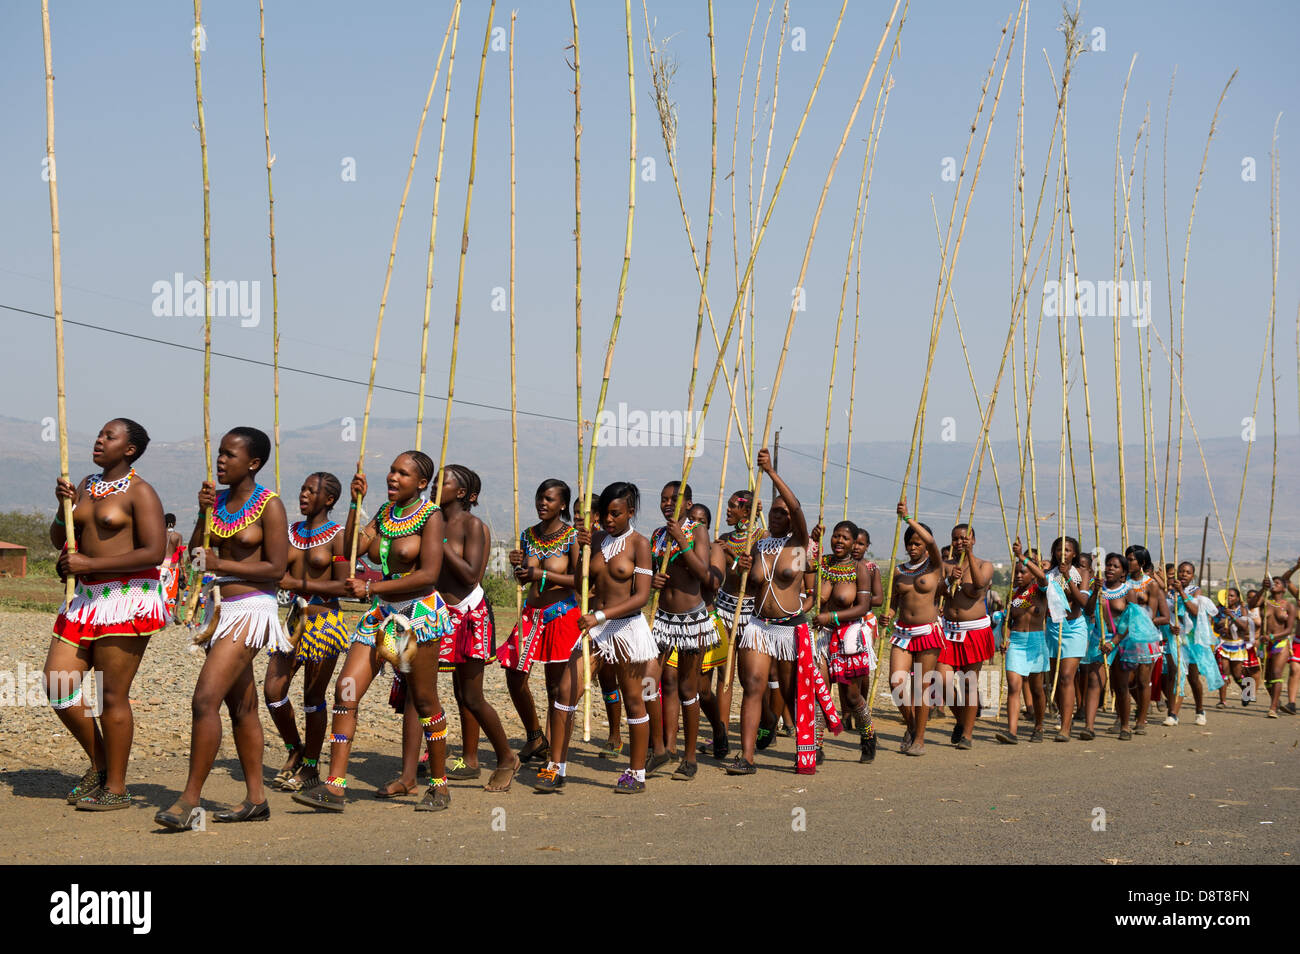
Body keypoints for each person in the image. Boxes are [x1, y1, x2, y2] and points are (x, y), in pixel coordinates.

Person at [291, 450, 453, 813]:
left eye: (403, 474)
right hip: (381, 615)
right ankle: (334, 787)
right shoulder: (383, 514)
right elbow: (351, 549)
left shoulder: (431, 517)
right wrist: (354, 503)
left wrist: (373, 589)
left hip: (417, 615)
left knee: (424, 702)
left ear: (422, 483)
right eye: (392, 471)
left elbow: (428, 575)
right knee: (345, 689)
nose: (393, 478)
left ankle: (439, 785)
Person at [156, 427, 289, 828]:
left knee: (204, 700)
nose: (221, 460)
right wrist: (201, 513)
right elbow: (197, 557)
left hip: (252, 609)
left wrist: (222, 565)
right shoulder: (219, 504)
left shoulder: (271, 505)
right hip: (223, 610)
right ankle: (256, 799)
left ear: (254, 463)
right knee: (242, 706)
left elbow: (277, 569)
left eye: (230, 455)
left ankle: (189, 800)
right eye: (219, 453)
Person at [48, 418, 167, 811]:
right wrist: (62, 506)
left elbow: (154, 552)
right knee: (57, 684)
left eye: (109, 436)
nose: (99, 440)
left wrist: (88, 564)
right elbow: (61, 538)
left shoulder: (141, 492)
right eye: (99, 434)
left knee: (112, 695)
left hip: (126, 599)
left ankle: (116, 788)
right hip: (84, 599)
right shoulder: (84, 485)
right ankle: (100, 764)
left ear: (129, 449)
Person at [729, 448, 837, 775]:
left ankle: (809, 745)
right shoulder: (758, 546)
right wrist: (742, 570)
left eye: (782, 512)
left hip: (790, 629)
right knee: (753, 686)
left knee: (793, 692)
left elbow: (797, 507)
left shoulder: (799, 546)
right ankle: (746, 757)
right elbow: (750, 590)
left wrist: (772, 473)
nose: (778, 517)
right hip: (758, 626)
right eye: (773, 513)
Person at [265, 472, 350, 793]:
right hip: (293, 622)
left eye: (310, 491)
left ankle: (312, 766)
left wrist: (297, 583)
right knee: (273, 691)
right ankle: (294, 748)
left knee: (313, 697)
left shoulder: (338, 537)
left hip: (324, 623)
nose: (303, 495)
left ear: (328, 500)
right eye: (301, 489)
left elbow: (344, 585)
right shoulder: (288, 532)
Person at [500, 479, 583, 792]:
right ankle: (535, 735)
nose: (542, 503)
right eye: (539, 497)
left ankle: (555, 760)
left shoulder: (573, 537)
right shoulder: (527, 534)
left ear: (562, 504)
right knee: (513, 674)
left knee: (555, 689)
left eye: (549, 499)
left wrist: (542, 574)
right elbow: (524, 583)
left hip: (561, 616)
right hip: (530, 617)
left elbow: (580, 580)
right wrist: (519, 570)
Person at [576, 482, 658, 792]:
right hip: (595, 628)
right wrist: (581, 549)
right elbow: (580, 580)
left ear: (630, 512)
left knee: (634, 699)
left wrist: (600, 616)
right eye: (604, 514)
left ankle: (636, 773)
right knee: (568, 690)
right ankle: (556, 764)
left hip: (627, 628)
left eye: (615, 514)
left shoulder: (640, 544)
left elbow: (641, 598)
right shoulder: (596, 540)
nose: (608, 520)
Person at [649, 481, 715, 780]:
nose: (666, 504)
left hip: (692, 620)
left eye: (673, 500)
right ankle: (659, 748)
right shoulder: (657, 535)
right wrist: (653, 580)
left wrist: (683, 541)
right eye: (663, 499)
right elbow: (650, 573)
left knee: (689, 688)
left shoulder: (697, 531)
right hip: (662, 618)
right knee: (649, 683)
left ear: (688, 504)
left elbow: (704, 573)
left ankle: (689, 758)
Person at [881, 497, 946, 757]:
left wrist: (908, 518)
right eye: (910, 543)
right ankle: (911, 725)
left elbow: (931, 541)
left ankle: (919, 738)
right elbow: (894, 604)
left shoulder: (935, 567)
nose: (913, 547)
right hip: (902, 634)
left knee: (921, 687)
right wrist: (887, 614)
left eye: (917, 543)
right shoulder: (899, 571)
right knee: (896, 682)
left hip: (927, 633)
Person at [814, 520, 879, 762]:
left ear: (853, 543)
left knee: (852, 697)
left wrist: (830, 615)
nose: (839, 541)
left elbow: (863, 607)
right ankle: (816, 746)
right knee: (819, 692)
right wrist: (812, 541)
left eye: (845, 538)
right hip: (823, 637)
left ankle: (868, 735)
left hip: (849, 638)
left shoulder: (860, 569)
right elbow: (806, 580)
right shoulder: (823, 563)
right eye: (835, 536)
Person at [1085, 552, 1162, 740]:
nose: (1110, 568)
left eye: (1115, 566)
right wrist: (1094, 592)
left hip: (1122, 642)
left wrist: (1114, 642)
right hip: (1099, 640)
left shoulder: (1128, 591)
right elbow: (1087, 611)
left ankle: (1126, 726)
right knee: (1095, 682)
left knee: (1121, 686)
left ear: (1123, 573)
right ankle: (1089, 727)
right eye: (1108, 565)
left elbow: (1132, 621)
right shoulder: (1098, 588)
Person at [939, 524, 995, 749]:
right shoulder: (946, 566)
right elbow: (937, 591)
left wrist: (969, 555)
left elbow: (979, 585)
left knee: (970, 683)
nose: (960, 542)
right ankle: (962, 720)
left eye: (964, 538)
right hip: (949, 630)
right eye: (956, 538)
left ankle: (967, 735)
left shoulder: (984, 565)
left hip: (974, 631)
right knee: (941, 680)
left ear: (973, 539)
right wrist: (949, 580)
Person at [996, 541, 1048, 744]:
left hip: (1036, 642)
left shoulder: (1040, 590)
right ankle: (1012, 732)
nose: (1018, 575)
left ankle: (1039, 726)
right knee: (1014, 687)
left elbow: (1043, 577)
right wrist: (1005, 638)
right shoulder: (1014, 596)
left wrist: (1022, 556)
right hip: (1016, 644)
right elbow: (1008, 620)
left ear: (1032, 573)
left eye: (1023, 572)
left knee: (1036, 689)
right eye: (1016, 572)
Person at [1164, 561, 1225, 726]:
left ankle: (1199, 709)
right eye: (1181, 571)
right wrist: (1170, 626)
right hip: (1175, 639)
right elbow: (1164, 613)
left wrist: (1181, 592)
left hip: (1192, 641)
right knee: (1176, 674)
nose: (1184, 574)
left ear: (1193, 575)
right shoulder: (1167, 591)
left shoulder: (1195, 591)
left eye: (1188, 572)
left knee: (1193, 678)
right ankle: (1173, 713)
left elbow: (1195, 610)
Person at [1043, 536, 1088, 741]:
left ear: (1074, 553)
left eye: (1068, 550)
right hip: (1053, 629)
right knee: (1056, 679)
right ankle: (1063, 715)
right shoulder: (1048, 575)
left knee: (1067, 676)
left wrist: (1068, 578)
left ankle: (1066, 728)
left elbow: (1083, 602)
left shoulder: (1082, 573)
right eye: (1059, 549)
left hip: (1075, 628)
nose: (1063, 553)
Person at [1249, 576, 1296, 718]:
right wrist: (1263, 588)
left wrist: (1272, 637)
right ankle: (1276, 700)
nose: (1274, 585)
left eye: (1277, 583)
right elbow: (1251, 604)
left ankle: (1273, 708)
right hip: (1265, 645)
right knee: (1268, 678)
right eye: (1272, 583)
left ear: (1283, 588)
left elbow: (1288, 630)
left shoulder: (1289, 606)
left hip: (1280, 644)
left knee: (1276, 673)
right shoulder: (1265, 602)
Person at [1214, 587, 1254, 707]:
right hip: (1223, 644)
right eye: (1227, 596)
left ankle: (1247, 690)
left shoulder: (1242, 609)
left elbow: (1245, 627)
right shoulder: (1220, 609)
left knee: (1237, 675)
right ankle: (1222, 701)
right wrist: (1221, 629)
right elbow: (1216, 626)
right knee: (1224, 672)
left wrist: (1231, 616)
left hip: (1237, 644)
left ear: (1237, 598)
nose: (1229, 598)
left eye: (1232, 596)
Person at [159, 513, 186, 621]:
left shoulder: (159, 535)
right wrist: (184, 571)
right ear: (174, 523)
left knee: (161, 589)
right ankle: (173, 613)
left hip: (160, 565)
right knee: (173, 590)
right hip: (173, 565)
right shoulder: (177, 536)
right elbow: (180, 554)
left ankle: (161, 612)